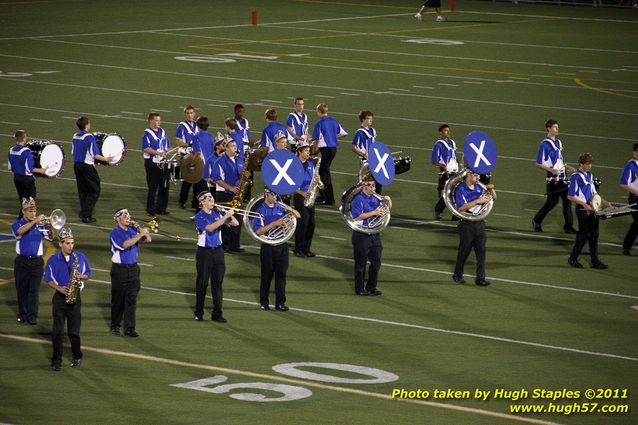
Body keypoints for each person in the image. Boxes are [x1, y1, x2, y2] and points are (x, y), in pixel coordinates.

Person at [45, 228, 91, 371]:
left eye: (72, 243)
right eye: (67, 243)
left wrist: (79, 276)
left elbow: (88, 274)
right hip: (59, 299)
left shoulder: (80, 257)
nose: (71, 246)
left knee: (73, 333)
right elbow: (47, 279)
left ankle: (77, 355)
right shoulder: (53, 259)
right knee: (58, 331)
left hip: (75, 299)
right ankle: (56, 359)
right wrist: (59, 288)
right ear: (61, 244)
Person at [193, 191, 238, 322]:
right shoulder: (199, 217)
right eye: (209, 198)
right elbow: (210, 228)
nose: (212, 200)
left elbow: (235, 223)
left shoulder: (218, 213)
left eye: (212, 197)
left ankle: (217, 314)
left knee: (217, 284)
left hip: (218, 251)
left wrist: (225, 212)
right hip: (204, 252)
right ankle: (199, 312)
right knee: (202, 283)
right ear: (202, 202)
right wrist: (224, 217)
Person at [253, 187, 300, 311]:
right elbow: (258, 232)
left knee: (281, 276)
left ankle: (280, 303)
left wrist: (290, 209)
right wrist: (274, 224)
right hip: (268, 247)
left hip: (282, 245)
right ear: (266, 194)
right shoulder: (260, 211)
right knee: (266, 276)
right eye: (272, 195)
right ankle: (264, 301)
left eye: (275, 195)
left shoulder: (281, 207)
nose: (275, 197)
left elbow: (298, 216)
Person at [109, 208, 152, 337]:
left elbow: (148, 239)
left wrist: (140, 230)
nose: (128, 217)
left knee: (131, 299)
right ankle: (115, 325)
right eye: (124, 215)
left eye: (128, 214)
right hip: (120, 269)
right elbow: (124, 244)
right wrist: (139, 235)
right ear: (118, 218)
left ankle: (129, 328)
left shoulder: (133, 230)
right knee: (118, 299)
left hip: (133, 269)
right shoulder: (115, 232)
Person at [452, 170, 496, 287]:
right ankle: (457, 275)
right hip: (466, 224)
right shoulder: (461, 189)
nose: (478, 178)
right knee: (464, 251)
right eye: (476, 175)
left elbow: (494, 199)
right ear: (469, 175)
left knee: (481, 252)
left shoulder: (479, 187)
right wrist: (477, 201)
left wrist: (491, 190)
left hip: (480, 223)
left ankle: (480, 278)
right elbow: (461, 208)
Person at [12, 197, 53, 324]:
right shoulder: (17, 223)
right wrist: (35, 221)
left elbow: (51, 237)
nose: (33, 213)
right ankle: (22, 314)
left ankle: (32, 316)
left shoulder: (40, 226)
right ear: (23, 211)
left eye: (34, 211)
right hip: (21, 262)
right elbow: (20, 232)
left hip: (36, 262)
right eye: (30, 211)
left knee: (34, 290)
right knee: (22, 289)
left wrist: (49, 225)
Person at [532, 119, 577, 234]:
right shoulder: (544, 144)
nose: (557, 129)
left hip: (563, 176)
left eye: (557, 127)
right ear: (549, 129)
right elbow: (538, 163)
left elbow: (559, 161)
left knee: (567, 200)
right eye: (555, 127)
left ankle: (568, 226)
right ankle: (536, 220)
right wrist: (551, 170)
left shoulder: (558, 143)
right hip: (553, 179)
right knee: (552, 202)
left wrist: (568, 167)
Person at [567, 152, 610, 269]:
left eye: (590, 163)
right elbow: (570, 196)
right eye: (587, 164)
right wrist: (583, 204)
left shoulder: (589, 175)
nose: (589, 166)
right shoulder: (576, 176)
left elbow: (593, 194)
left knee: (594, 235)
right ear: (581, 164)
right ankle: (573, 258)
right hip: (582, 209)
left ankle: (594, 261)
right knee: (583, 235)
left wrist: (605, 202)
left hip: (593, 209)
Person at [351, 179, 392, 296]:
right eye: (371, 186)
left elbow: (387, 209)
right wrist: (374, 213)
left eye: (374, 185)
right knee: (360, 264)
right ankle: (359, 288)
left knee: (376, 262)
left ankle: (371, 287)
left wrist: (388, 201)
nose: (373, 188)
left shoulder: (376, 197)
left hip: (375, 234)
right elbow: (357, 216)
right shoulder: (358, 199)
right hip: (361, 235)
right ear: (364, 186)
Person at [73, 116, 112, 223]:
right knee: (95, 190)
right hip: (87, 166)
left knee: (83, 190)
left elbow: (74, 151)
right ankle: (86, 215)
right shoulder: (89, 137)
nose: (90, 125)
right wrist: (106, 159)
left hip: (77, 165)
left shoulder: (75, 136)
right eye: (89, 123)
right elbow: (95, 154)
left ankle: (83, 212)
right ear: (86, 125)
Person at [212, 139, 247, 253]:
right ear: (226, 148)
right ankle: (224, 245)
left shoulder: (239, 159)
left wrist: (246, 175)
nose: (235, 148)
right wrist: (231, 188)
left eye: (235, 146)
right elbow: (216, 179)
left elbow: (241, 174)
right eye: (232, 146)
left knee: (238, 219)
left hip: (237, 194)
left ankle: (235, 245)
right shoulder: (219, 161)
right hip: (224, 194)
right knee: (226, 220)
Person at [311, 103, 348, 205]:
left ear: (318, 111)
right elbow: (344, 133)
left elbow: (317, 140)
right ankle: (323, 196)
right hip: (333, 149)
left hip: (325, 150)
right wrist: (332, 137)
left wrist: (313, 151)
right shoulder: (333, 120)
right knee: (323, 172)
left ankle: (329, 199)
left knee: (324, 173)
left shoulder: (319, 123)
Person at [8, 130, 47, 217]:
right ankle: (26, 218)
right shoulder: (26, 152)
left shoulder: (11, 150)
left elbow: (10, 167)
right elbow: (30, 168)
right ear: (24, 139)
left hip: (16, 178)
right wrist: (41, 170)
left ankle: (23, 216)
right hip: (27, 179)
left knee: (22, 199)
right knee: (30, 200)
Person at [142, 113, 171, 216]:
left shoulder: (162, 132)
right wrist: (158, 153)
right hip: (152, 163)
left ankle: (161, 208)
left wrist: (170, 151)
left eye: (159, 120)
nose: (159, 122)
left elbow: (166, 146)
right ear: (151, 121)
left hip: (162, 162)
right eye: (157, 120)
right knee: (153, 187)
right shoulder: (147, 134)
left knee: (165, 185)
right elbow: (146, 148)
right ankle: (150, 210)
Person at [431, 124, 459, 220]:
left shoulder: (452, 143)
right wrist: (444, 166)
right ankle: (438, 210)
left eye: (449, 130)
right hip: (446, 173)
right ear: (441, 132)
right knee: (448, 194)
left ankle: (456, 214)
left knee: (457, 192)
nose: (448, 132)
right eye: (446, 130)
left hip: (455, 172)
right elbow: (434, 161)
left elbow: (453, 157)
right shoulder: (438, 145)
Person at [293, 144, 317, 258]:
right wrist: (302, 192)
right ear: (299, 151)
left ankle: (307, 248)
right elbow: (289, 184)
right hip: (300, 196)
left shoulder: (310, 164)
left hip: (310, 196)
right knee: (303, 223)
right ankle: (298, 248)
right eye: (306, 151)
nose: (308, 153)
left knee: (311, 223)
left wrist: (318, 179)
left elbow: (314, 176)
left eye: (308, 150)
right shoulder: (293, 165)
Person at [352, 110, 382, 193]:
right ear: (363, 119)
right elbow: (354, 147)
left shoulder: (372, 130)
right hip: (366, 161)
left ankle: (376, 197)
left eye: (371, 119)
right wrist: (364, 154)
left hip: (374, 159)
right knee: (367, 183)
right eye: (368, 119)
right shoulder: (359, 133)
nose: (371, 120)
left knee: (378, 180)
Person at [175, 106, 199, 210]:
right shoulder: (181, 126)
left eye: (191, 113)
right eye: (188, 113)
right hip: (186, 156)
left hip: (196, 155)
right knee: (188, 179)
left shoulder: (197, 126)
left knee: (197, 179)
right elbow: (178, 142)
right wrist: (189, 145)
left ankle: (195, 201)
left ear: (194, 114)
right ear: (185, 114)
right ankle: (182, 200)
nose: (190, 115)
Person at [191, 116, 216, 204]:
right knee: (207, 188)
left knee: (201, 190)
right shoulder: (211, 137)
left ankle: (200, 209)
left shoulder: (196, 137)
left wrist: (192, 164)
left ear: (197, 125)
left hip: (201, 165)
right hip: (210, 165)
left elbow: (197, 153)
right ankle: (196, 204)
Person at [619, 143, 638, 255]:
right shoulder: (630, 166)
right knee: (637, 223)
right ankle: (626, 246)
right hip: (635, 199)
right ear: (634, 152)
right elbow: (623, 183)